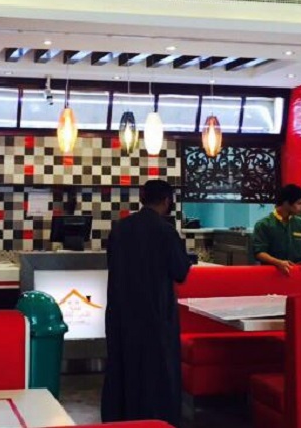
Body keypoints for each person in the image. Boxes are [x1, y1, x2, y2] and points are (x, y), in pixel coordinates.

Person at [101, 179, 191, 427]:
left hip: (121, 312)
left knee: (123, 365)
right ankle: (155, 420)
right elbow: (180, 271)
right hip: (155, 313)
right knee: (157, 370)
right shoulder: (165, 231)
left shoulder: (120, 228)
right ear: (167, 201)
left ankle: (120, 418)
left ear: (142, 198)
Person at [251, 184, 301, 275]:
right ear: (286, 203)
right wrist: (278, 262)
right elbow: (259, 253)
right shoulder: (264, 225)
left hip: (297, 273)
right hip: (272, 274)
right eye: (299, 203)